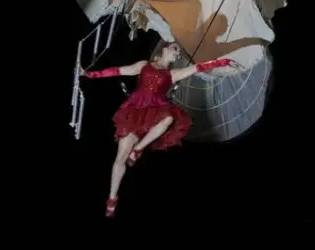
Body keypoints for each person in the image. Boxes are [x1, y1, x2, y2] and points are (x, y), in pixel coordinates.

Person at [82, 42, 237, 217]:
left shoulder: (173, 74)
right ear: (164, 48)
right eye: (175, 48)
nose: (178, 53)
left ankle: (138, 149)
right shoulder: (144, 65)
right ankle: (112, 198)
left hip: (155, 114)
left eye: (179, 51)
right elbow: (118, 71)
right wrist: (90, 74)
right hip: (135, 113)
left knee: (169, 118)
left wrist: (223, 62)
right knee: (121, 157)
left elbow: (198, 67)